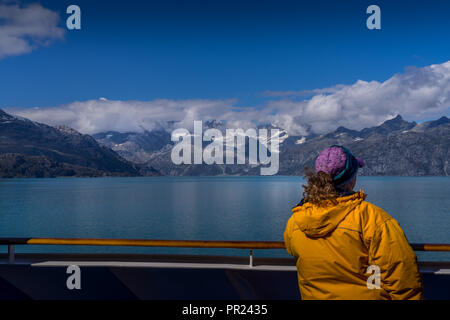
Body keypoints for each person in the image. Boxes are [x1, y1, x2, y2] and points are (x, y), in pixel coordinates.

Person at [284, 145, 424, 300]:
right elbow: (401, 275)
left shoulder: (296, 220)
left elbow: (293, 250)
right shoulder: (373, 219)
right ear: (351, 180)